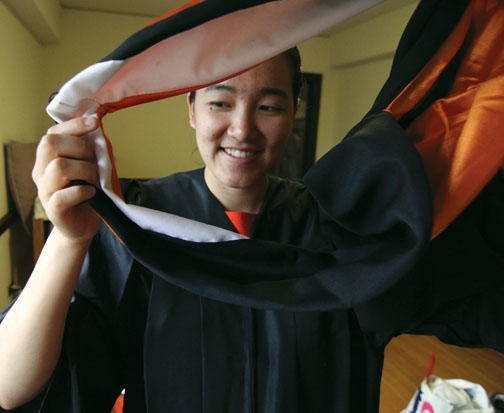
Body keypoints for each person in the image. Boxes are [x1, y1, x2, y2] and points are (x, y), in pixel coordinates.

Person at [0, 46, 502, 413]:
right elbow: (11, 385)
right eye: (220, 103)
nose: (242, 129)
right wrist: (69, 239)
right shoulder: (139, 228)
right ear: (191, 108)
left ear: (294, 111)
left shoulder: (338, 232)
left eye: (269, 105)